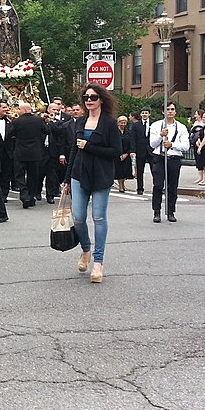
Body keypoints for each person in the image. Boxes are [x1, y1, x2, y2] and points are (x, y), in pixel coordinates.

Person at [62, 83, 122, 284]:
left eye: (93, 97)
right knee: (78, 218)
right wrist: (66, 179)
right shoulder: (80, 121)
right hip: (79, 173)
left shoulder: (109, 124)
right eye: (86, 97)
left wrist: (90, 146)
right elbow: (73, 150)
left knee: (98, 217)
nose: (89, 101)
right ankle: (85, 249)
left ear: (102, 100)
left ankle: (98, 262)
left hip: (101, 175)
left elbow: (115, 152)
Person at [149, 102, 190, 223]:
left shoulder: (181, 127)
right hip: (159, 158)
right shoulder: (156, 126)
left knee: (172, 186)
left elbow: (186, 146)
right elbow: (152, 144)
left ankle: (171, 211)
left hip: (174, 159)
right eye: (167, 109)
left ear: (175, 111)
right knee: (157, 185)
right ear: (163, 112)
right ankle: (156, 211)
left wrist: (172, 145)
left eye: (172, 109)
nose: (170, 111)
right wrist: (161, 136)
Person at [10, 102, 46, 208]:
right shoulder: (38, 120)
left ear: (25, 110)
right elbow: (46, 131)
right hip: (35, 152)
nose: (18, 111)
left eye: (19, 109)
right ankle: (31, 196)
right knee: (33, 175)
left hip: (21, 152)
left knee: (19, 175)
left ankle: (24, 194)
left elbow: (10, 134)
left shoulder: (17, 121)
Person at [0, 101, 13, 202]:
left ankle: (4, 195)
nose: (6, 109)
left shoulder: (9, 121)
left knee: (6, 174)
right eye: (4, 107)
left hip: (7, 152)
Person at [130, 108, 153, 194]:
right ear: (140, 114)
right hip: (140, 150)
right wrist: (133, 150)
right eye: (143, 113)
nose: (144, 114)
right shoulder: (136, 125)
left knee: (154, 170)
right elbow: (133, 138)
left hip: (151, 150)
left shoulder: (154, 124)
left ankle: (157, 187)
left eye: (146, 113)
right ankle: (140, 188)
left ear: (149, 114)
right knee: (140, 171)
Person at [114, 116, 133, 192]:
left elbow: (131, 143)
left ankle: (123, 183)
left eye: (124, 122)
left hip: (126, 154)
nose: (123, 124)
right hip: (117, 154)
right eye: (121, 122)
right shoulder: (114, 132)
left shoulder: (128, 132)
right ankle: (120, 186)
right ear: (118, 123)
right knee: (119, 171)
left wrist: (127, 153)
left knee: (125, 171)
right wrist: (119, 154)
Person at [196, 112, 205, 185]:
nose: (203, 118)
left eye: (204, 117)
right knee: (204, 164)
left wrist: (200, 147)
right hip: (203, 145)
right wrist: (198, 141)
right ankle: (204, 178)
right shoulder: (204, 126)